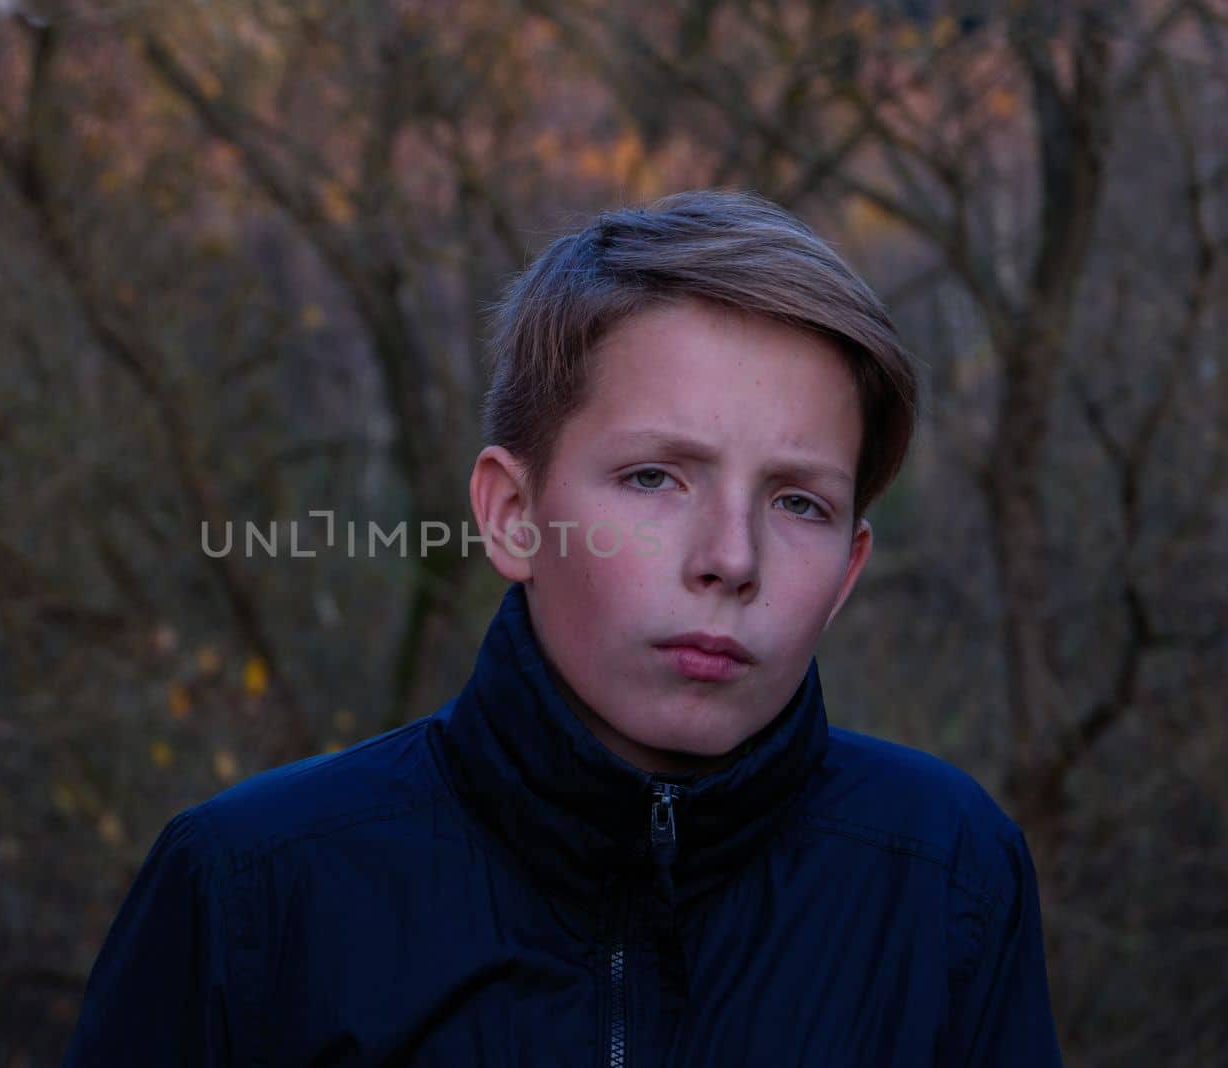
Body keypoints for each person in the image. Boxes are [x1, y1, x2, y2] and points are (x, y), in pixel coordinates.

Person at [60, 189, 1063, 1066]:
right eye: (653, 478)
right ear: (512, 515)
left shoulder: (944, 879)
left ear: (847, 569)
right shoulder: (252, 894)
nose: (731, 557)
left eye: (798, 503)